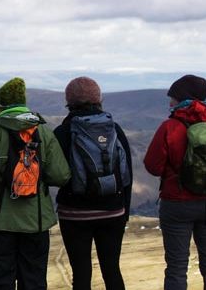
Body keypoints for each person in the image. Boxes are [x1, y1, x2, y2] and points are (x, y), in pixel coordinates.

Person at [0, 77, 70, 290]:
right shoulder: (43, 131)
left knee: (0, 280)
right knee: (33, 280)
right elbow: (61, 175)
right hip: (35, 221)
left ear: (1, 106)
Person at [144, 74, 206, 290]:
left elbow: (153, 166)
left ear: (182, 98)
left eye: (173, 98)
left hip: (176, 204)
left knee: (177, 267)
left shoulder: (169, 127)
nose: (170, 102)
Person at [54, 77, 132, 290]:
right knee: (112, 270)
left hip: (74, 213)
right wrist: (124, 209)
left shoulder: (62, 133)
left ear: (68, 101)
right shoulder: (114, 129)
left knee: (80, 272)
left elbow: (53, 173)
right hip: (112, 211)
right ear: (99, 99)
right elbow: (127, 173)